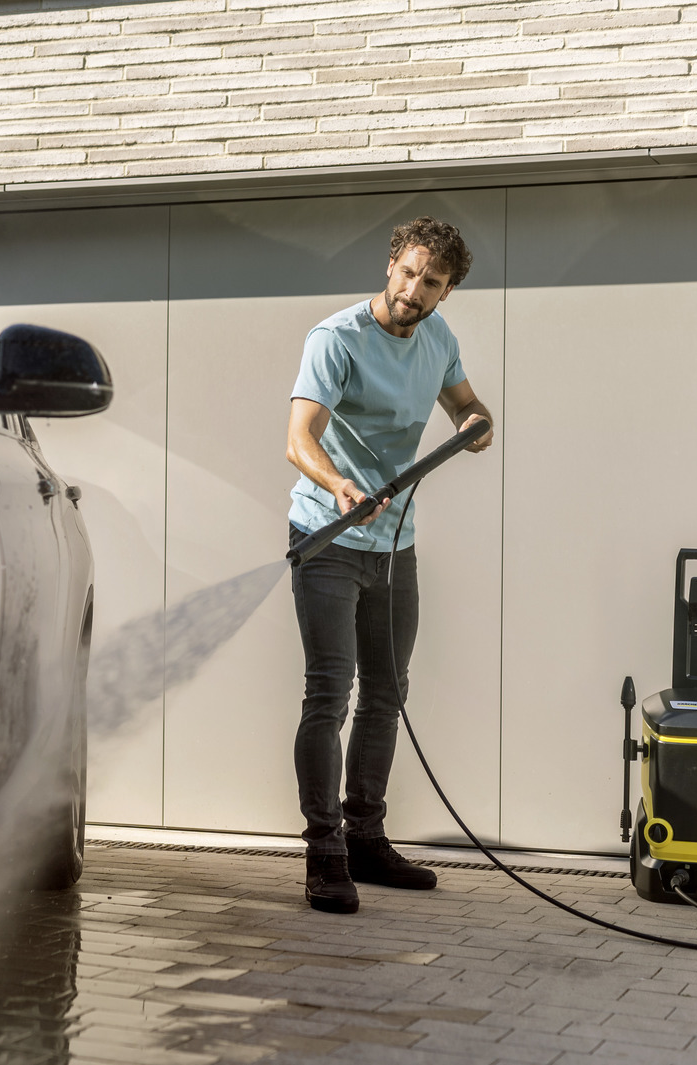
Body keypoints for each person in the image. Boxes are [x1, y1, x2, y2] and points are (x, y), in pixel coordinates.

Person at [284, 215, 494, 914]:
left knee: (386, 692)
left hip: (393, 546)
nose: (414, 289)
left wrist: (474, 424)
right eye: (407, 272)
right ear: (390, 267)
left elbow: (469, 407)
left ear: (447, 291)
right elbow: (299, 438)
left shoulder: (438, 339)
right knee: (329, 693)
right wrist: (339, 485)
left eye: (431, 282)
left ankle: (366, 836)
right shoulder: (336, 339)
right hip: (328, 536)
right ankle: (325, 850)